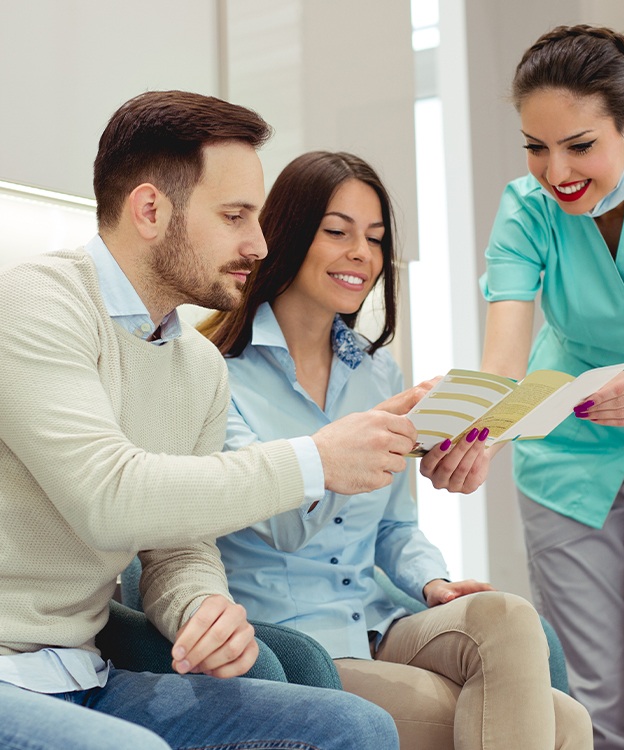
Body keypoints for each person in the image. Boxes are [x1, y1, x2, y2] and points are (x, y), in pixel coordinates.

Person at [0, 89, 420, 750]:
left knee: (353, 726)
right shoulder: (37, 304)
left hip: (86, 672)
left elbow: (178, 545)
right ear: (149, 209)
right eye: (234, 216)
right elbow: (111, 497)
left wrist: (200, 606)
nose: (257, 243)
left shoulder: (199, 366)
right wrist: (314, 459)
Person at [201, 150, 593, 750]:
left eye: (376, 238)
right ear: (286, 235)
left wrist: (431, 582)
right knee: (564, 724)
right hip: (292, 645)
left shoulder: (378, 373)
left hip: (380, 621)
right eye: (337, 231)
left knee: (508, 617)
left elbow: (395, 526)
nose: (362, 253)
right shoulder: (216, 375)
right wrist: (343, 448)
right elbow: (278, 525)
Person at [478, 24, 624, 750]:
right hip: (566, 454)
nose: (556, 171)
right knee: (593, 701)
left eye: (579, 146)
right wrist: (470, 426)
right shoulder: (526, 209)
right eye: (536, 147)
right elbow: (504, 364)